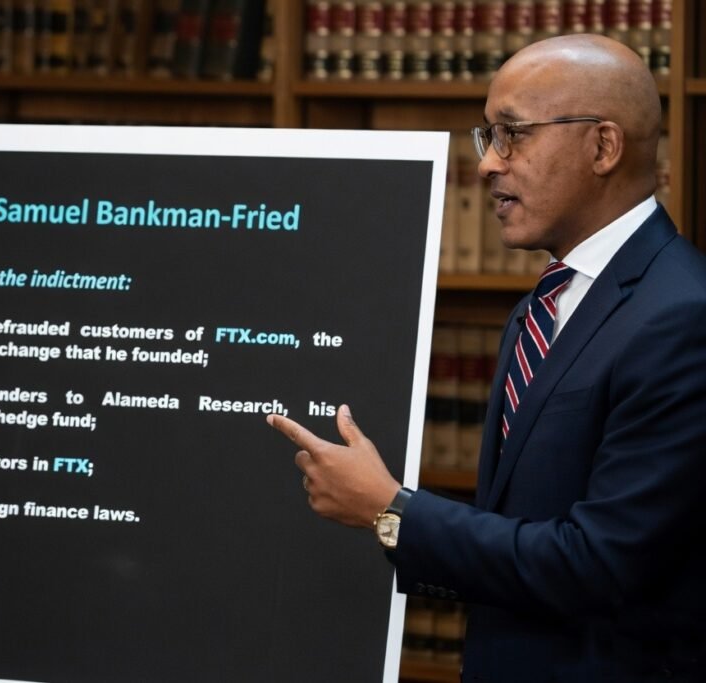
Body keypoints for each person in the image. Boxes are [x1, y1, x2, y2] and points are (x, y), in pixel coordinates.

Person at [268, 34, 706, 683]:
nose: (486, 165)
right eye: (487, 137)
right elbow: (520, 521)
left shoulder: (682, 317)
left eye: (512, 135)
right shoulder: (540, 306)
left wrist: (392, 510)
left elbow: (599, 564)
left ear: (603, 147)